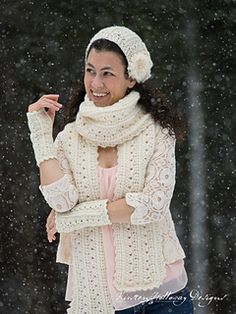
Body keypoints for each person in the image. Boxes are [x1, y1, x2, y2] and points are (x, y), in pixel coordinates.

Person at [26, 26, 194, 314]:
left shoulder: (156, 133)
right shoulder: (69, 137)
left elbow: (153, 204)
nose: (96, 83)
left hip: (163, 295)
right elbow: (61, 201)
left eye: (108, 73)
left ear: (131, 78)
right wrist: (42, 136)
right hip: (99, 298)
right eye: (90, 70)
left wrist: (75, 218)